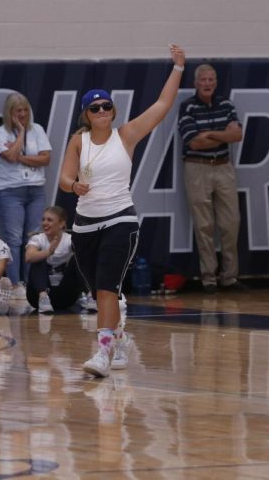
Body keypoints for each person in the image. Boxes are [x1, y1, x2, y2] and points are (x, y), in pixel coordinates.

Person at [60, 44, 186, 378]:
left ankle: (102, 353)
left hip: (120, 219)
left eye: (106, 106)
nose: (102, 111)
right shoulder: (78, 140)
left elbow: (162, 105)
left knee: (106, 288)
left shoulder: (126, 135)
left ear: (112, 111)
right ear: (86, 115)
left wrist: (178, 69)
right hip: (85, 226)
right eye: (95, 108)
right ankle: (118, 337)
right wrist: (74, 186)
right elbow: (63, 178)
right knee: (97, 292)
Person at [177, 63, 245, 294]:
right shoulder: (187, 107)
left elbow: (237, 135)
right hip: (197, 168)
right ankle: (209, 278)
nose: (207, 83)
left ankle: (230, 277)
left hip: (224, 167)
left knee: (231, 222)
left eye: (211, 79)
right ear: (196, 83)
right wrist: (222, 135)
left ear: (216, 82)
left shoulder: (226, 104)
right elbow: (194, 142)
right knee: (204, 225)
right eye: (203, 80)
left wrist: (210, 134)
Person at [0, 92, 52, 296]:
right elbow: (9, 156)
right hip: (10, 190)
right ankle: (16, 285)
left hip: (35, 189)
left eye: (26, 109)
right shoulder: (0, 133)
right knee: (14, 239)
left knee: (34, 238)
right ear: (10, 113)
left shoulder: (38, 130)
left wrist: (21, 156)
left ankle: (32, 284)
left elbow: (45, 159)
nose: (23, 114)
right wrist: (19, 133)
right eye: (18, 111)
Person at [24, 206, 84, 314]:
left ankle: (90, 296)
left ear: (61, 223)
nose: (45, 223)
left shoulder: (69, 239)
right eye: (43, 219)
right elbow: (28, 257)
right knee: (38, 259)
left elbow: (86, 256)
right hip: (37, 297)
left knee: (78, 259)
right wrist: (48, 252)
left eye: (49, 220)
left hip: (64, 296)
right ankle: (43, 297)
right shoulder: (37, 238)